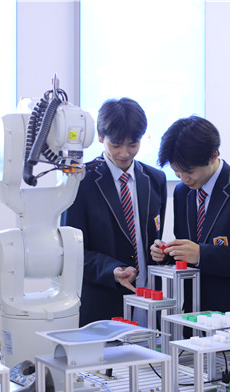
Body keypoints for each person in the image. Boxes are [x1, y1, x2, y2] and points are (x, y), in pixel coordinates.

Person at [150, 115, 230, 317]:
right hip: (191, 313)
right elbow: (188, 250)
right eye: (177, 172)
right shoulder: (182, 192)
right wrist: (167, 253)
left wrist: (202, 254)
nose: (184, 179)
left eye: (189, 171)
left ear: (213, 156)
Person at [62, 97, 167, 327]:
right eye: (116, 144)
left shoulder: (156, 179)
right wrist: (112, 270)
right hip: (103, 303)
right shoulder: (80, 181)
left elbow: (153, 239)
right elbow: (72, 251)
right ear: (101, 137)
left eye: (133, 144)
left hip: (148, 301)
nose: (125, 153)